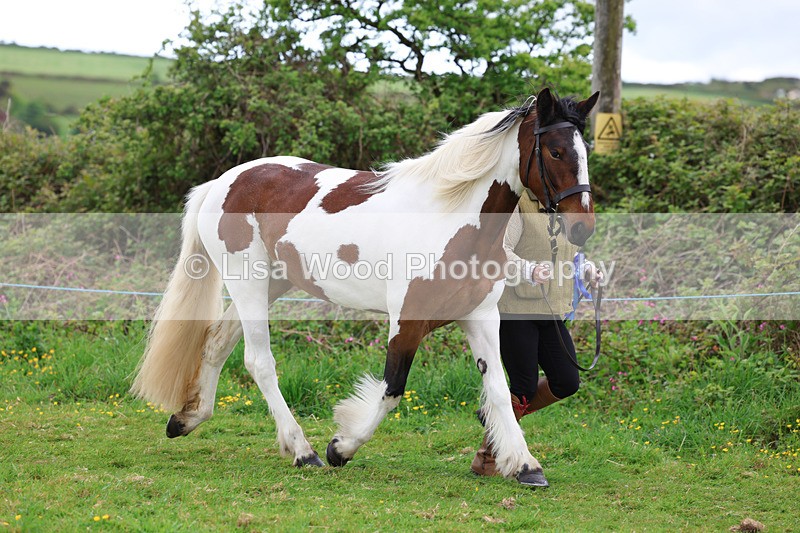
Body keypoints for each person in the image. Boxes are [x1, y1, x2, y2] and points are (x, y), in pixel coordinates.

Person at [471, 189, 601, 479]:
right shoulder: (520, 205)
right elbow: (499, 249)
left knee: (567, 380)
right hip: (516, 309)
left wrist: (587, 269)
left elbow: (570, 253)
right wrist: (528, 269)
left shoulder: (564, 205)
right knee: (524, 387)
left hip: (553, 308)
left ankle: (498, 414)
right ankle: (488, 459)